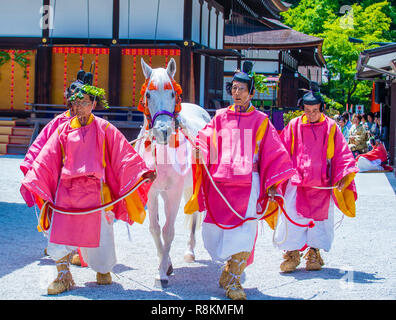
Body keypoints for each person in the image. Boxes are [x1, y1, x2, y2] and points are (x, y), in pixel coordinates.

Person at [20, 80, 156, 295]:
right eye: (76, 103)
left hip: (96, 191)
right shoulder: (62, 130)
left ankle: (102, 269)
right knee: (59, 231)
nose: (79, 107)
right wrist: (34, 176)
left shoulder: (104, 128)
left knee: (101, 234)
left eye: (84, 102)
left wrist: (141, 171)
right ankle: (63, 275)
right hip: (66, 191)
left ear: (93, 103)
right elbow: (47, 158)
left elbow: (123, 154)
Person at [185, 61, 295, 300]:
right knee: (216, 230)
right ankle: (228, 268)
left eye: (242, 89)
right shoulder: (220, 117)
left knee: (245, 229)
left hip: (249, 183)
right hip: (220, 183)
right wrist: (200, 149)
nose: (237, 93)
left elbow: (274, 153)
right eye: (234, 88)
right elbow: (205, 137)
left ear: (252, 93)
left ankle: (234, 279)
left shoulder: (261, 120)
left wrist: (274, 184)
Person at [275, 81, 359, 273]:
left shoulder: (331, 127)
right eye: (307, 110)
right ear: (302, 109)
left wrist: (342, 177)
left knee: (319, 221)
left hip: (322, 183)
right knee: (292, 218)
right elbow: (282, 151)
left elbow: (341, 153)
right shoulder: (294, 125)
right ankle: (292, 253)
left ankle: (314, 253)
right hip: (297, 182)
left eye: (315, 110)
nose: (311, 114)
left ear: (321, 108)